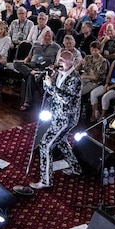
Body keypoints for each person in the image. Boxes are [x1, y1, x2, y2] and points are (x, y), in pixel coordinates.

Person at [30, 50, 81, 189]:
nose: (60, 63)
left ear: (71, 62)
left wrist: (51, 85)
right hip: (57, 115)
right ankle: (76, 167)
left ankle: (46, 181)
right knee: (62, 142)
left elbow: (66, 99)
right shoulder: (59, 73)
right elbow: (49, 91)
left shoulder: (75, 79)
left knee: (45, 145)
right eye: (59, 59)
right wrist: (48, 79)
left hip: (66, 118)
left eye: (63, 60)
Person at [90, 47, 115, 122]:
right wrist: (106, 84)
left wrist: (111, 86)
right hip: (110, 84)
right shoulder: (114, 62)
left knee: (105, 97)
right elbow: (109, 75)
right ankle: (95, 112)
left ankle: (103, 114)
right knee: (93, 93)